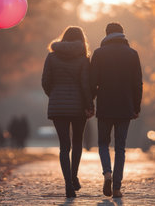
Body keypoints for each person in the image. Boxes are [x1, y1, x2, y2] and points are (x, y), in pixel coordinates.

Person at [90, 22, 143, 198]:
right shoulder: (132, 54)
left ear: (106, 35)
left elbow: (92, 82)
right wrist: (136, 107)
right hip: (125, 106)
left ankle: (107, 174)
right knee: (120, 147)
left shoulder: (98, 54)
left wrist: (90, 104)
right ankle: (117, 188)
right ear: (122, 34)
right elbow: (137, 83)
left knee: (103, 143)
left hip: (105, 106)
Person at [42, 26, 94, 198]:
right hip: (78, 106)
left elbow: (45, 82)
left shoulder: (51, 56)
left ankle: (68, 185)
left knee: (64, 146)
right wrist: (89, 104)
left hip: (58, 106)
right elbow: (86, 84)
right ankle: (73, 176)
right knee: (77, 142)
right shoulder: (83, 58)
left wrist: (55, 95)